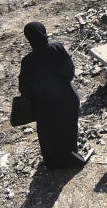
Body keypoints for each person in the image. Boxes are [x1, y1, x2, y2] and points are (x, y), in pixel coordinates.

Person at [18, 21, 82, 168]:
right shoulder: (57, 47)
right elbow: (70, 72)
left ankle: (54, 163)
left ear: (29, 38)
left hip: (45, 106)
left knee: (48, 134)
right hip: (67, 98)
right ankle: (72, 157)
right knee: (69, 128)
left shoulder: (27, 61)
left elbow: (24, 89)